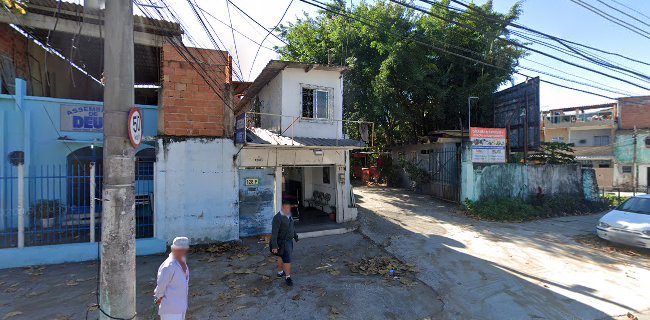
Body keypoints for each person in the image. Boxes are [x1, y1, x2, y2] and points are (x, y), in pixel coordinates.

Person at [154, 237, 190, 320]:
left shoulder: (182, 261)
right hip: (170, 309)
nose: (182, 252)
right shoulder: (168, 266)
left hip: (181, 307)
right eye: (179, 249)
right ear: (173, 249)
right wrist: (157, 297)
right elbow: (161, 286)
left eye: (184, 249)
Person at [270, 201, 299, 286]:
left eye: (289, 207)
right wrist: (274, 246)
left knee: (281, 256)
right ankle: (288, 277)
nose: (288, 209)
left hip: (289, 241)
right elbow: (274, 233)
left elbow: (292, 227)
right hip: (283, 242)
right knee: (287, 260)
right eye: (286, 207)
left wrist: (295, 236)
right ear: (282, 207)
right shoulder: (277, 218)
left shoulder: (289, 215)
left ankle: (280, 272)